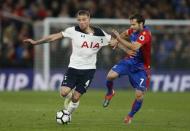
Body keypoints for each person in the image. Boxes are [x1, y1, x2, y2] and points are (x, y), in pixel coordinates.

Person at [23, 10, 114, 123]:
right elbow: (54, 37)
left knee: (76, 98)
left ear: (89, 19)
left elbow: (114, 41)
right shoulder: (73, 30)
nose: (81, 22)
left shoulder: (100, 33)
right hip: (73, 68)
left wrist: (119, 44)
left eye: (84, 19)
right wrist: (37, 42)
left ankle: (67, 114)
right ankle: (69, 97)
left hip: (89, 71)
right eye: (79, 20)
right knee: (64, 93)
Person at [103, 13, 152, 124]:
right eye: (131, 24)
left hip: (142, 68)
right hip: (129, 61)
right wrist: (116, 41)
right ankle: (110, 92)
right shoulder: (133, 31)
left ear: (141, 24)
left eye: (134, 25)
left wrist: (118, 39)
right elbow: (125, 33)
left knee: (139, 96)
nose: (131, 27)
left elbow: (134, 47)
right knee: (110, 76)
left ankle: (130, 116)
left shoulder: (146, 34)